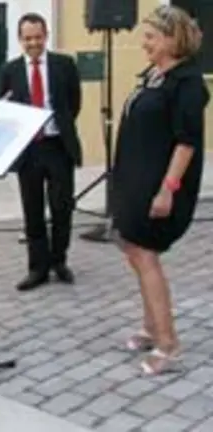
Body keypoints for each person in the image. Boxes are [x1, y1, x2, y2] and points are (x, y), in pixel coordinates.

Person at [112, 5, 207, 375]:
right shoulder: (155, 74)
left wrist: (168, 190)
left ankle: (169, 345)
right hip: (136, 180)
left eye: (151, 36)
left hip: (161, 184)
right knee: (133, 251)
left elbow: (186, 143)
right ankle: (151, 328)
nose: (145, 43)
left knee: (145, 254)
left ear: (171, 38)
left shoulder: (187, 83)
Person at [0, 13, 82, 291]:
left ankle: (59, 260)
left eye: (38, 37)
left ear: (46, 36)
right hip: (28, 150)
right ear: (20, 39)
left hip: (58, 146)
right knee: (32, 210)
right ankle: (38, 267)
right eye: (28, 38)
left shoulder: (65, 65)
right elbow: (4, 108)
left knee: (62, 208)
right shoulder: (9, 71)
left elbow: (73, 103)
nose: (33, 43)